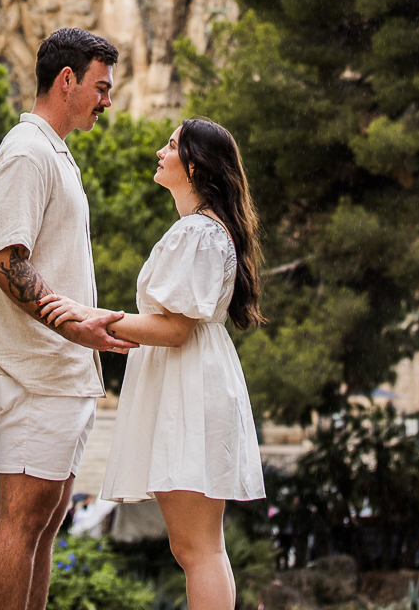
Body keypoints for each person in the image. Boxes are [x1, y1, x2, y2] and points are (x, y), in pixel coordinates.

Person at [40, 118, 266, 610]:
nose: (160, 151)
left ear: (195, 165)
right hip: (188, 382)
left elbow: (175, 328)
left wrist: (94, 317)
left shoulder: (199, 233)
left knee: (197, 548)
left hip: (189, 386)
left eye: (171, 145)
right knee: (196, 547)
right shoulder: (200, 232)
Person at [0, 27, 137, 610]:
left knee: (45, 519)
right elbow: (4, 259)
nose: (107, 101)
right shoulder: (26, 153)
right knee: (21, 517)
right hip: (34, 368)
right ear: (66, 80)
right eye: (101, 87)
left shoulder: (52, 152)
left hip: (59, 369)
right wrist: (72, 327)